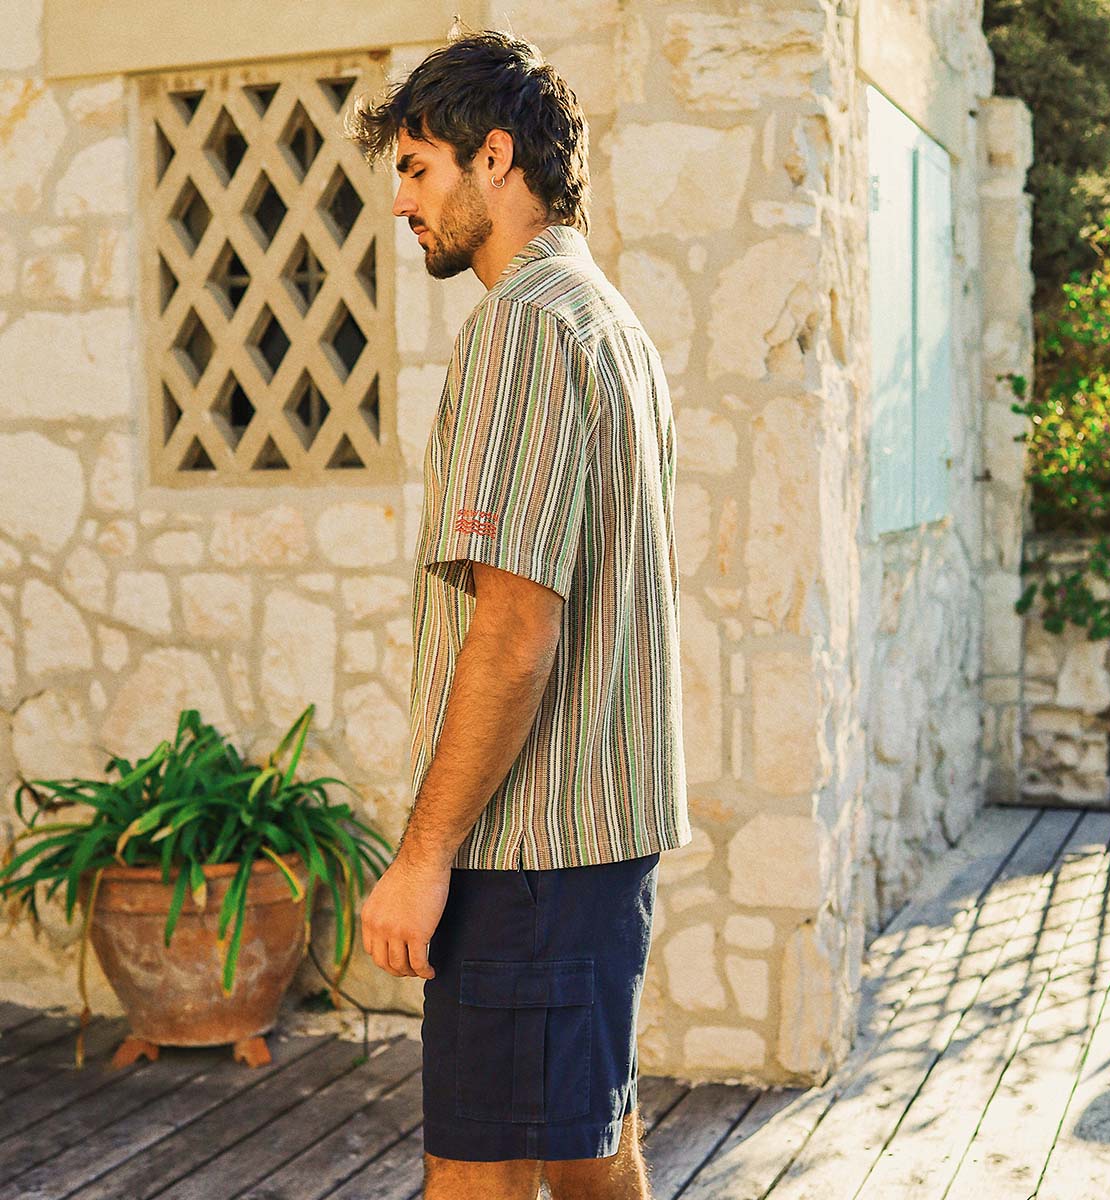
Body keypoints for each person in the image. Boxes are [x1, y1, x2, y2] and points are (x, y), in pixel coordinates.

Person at [347, 24, 691, 1200]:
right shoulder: (616, 331)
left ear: (496, 158)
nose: (402, 204)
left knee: (476, 1174)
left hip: (526, 847)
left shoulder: (524, 331)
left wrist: (425, 857)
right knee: (587, 1149)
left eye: (417, 168)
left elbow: (516, 625)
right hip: (592, 844)